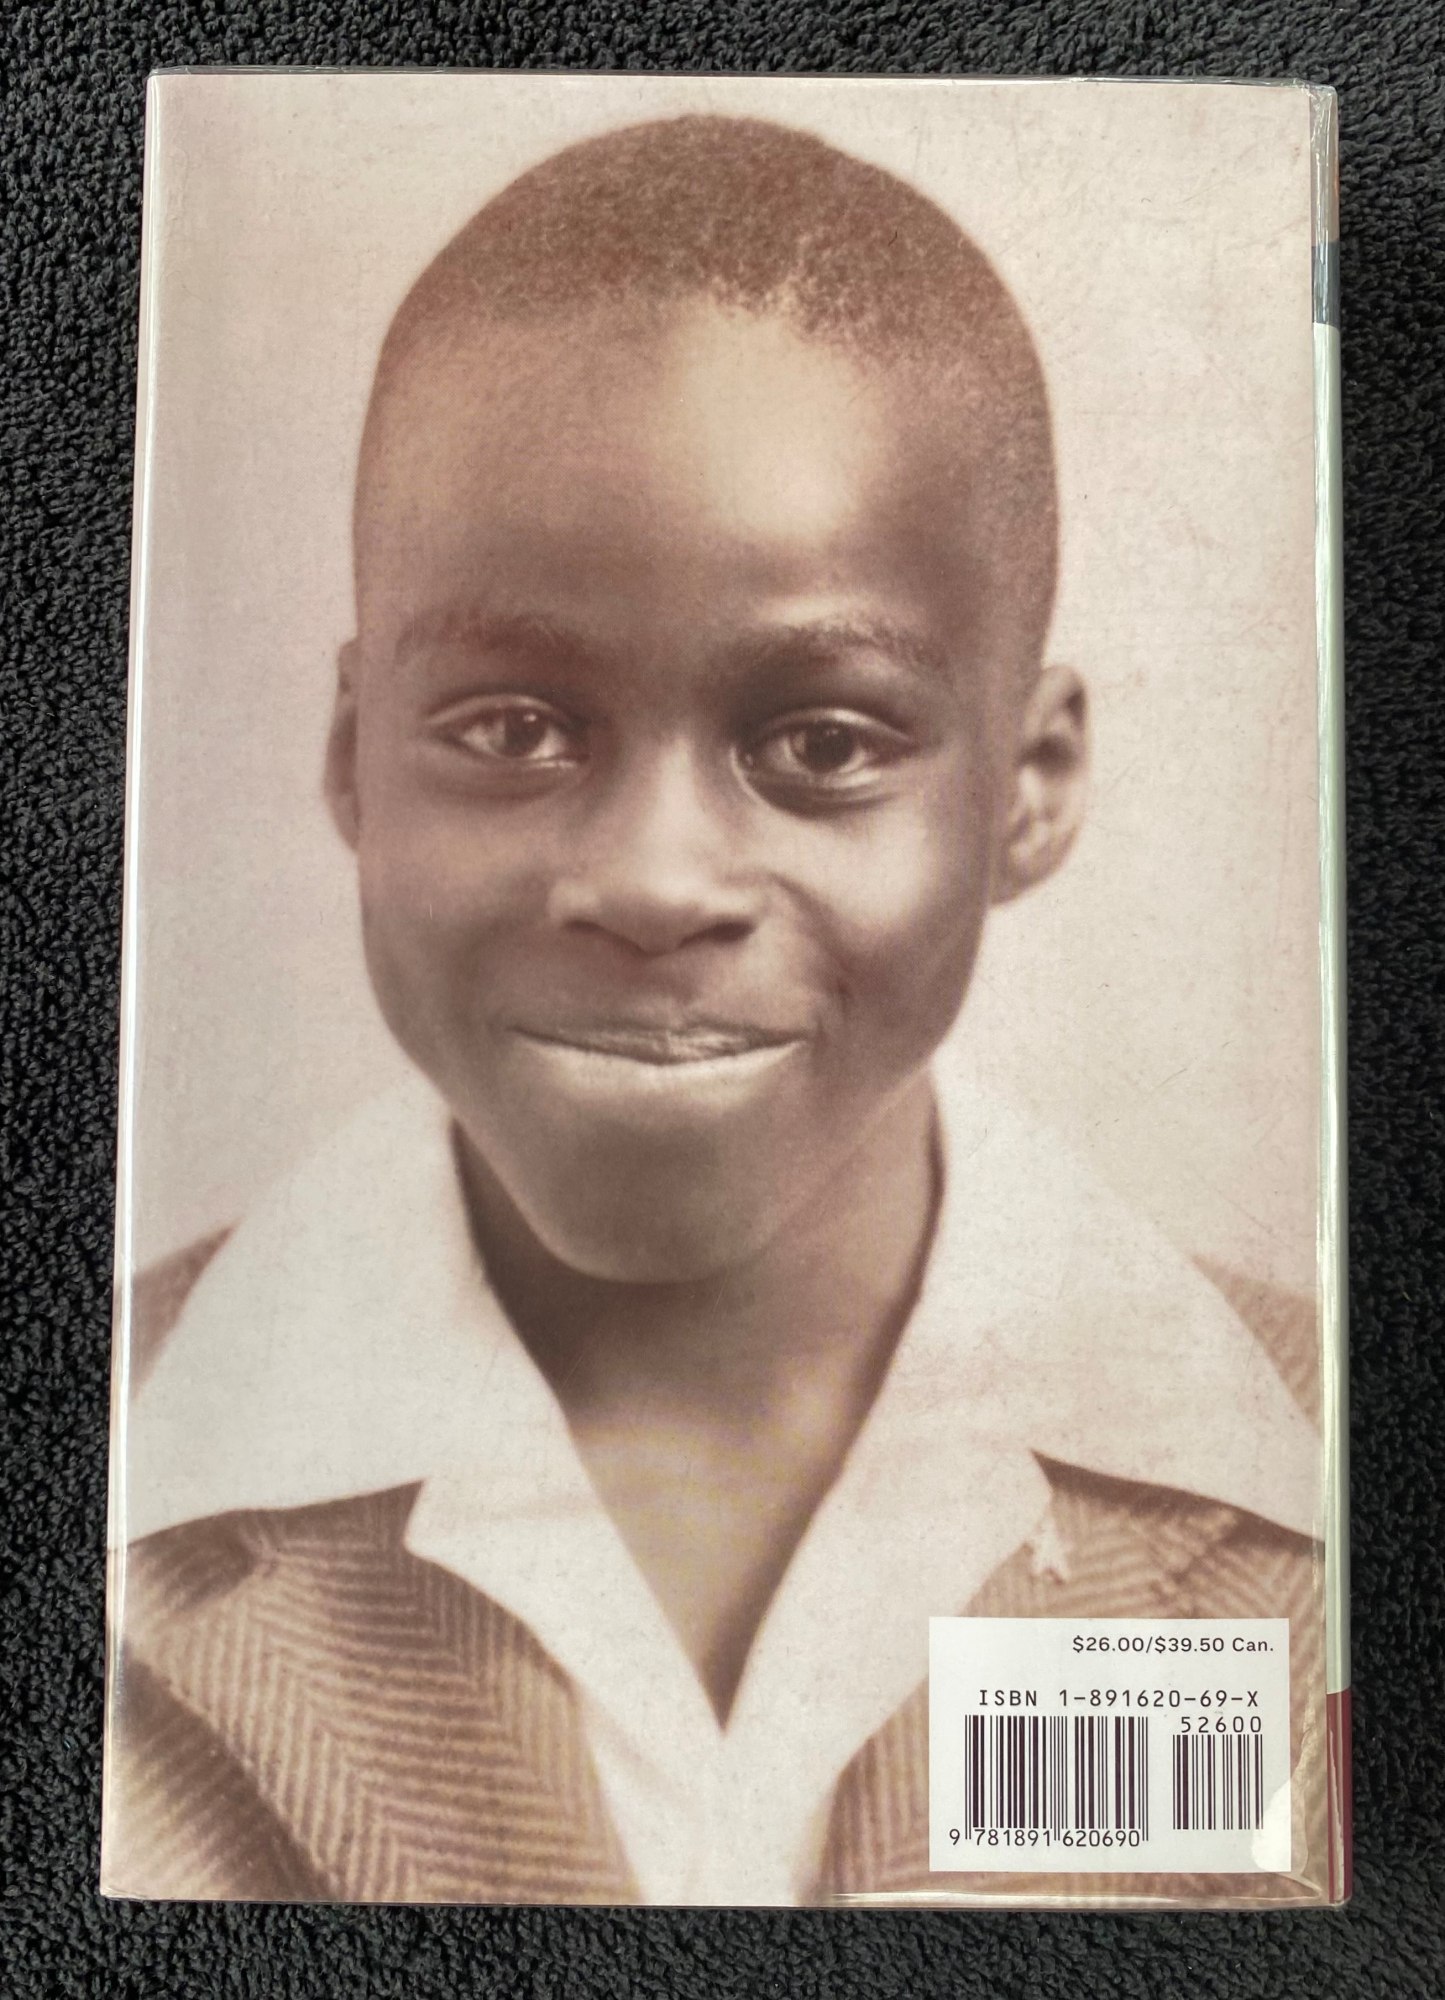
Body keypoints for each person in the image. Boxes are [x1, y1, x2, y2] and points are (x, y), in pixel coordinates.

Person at [104, 114, 1327, 1906]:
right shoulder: (110, 1455)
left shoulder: (1319, 1485)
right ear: (355, 754)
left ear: (1030, 785)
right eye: (513, 728)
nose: (655, 882)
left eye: (820, 743)